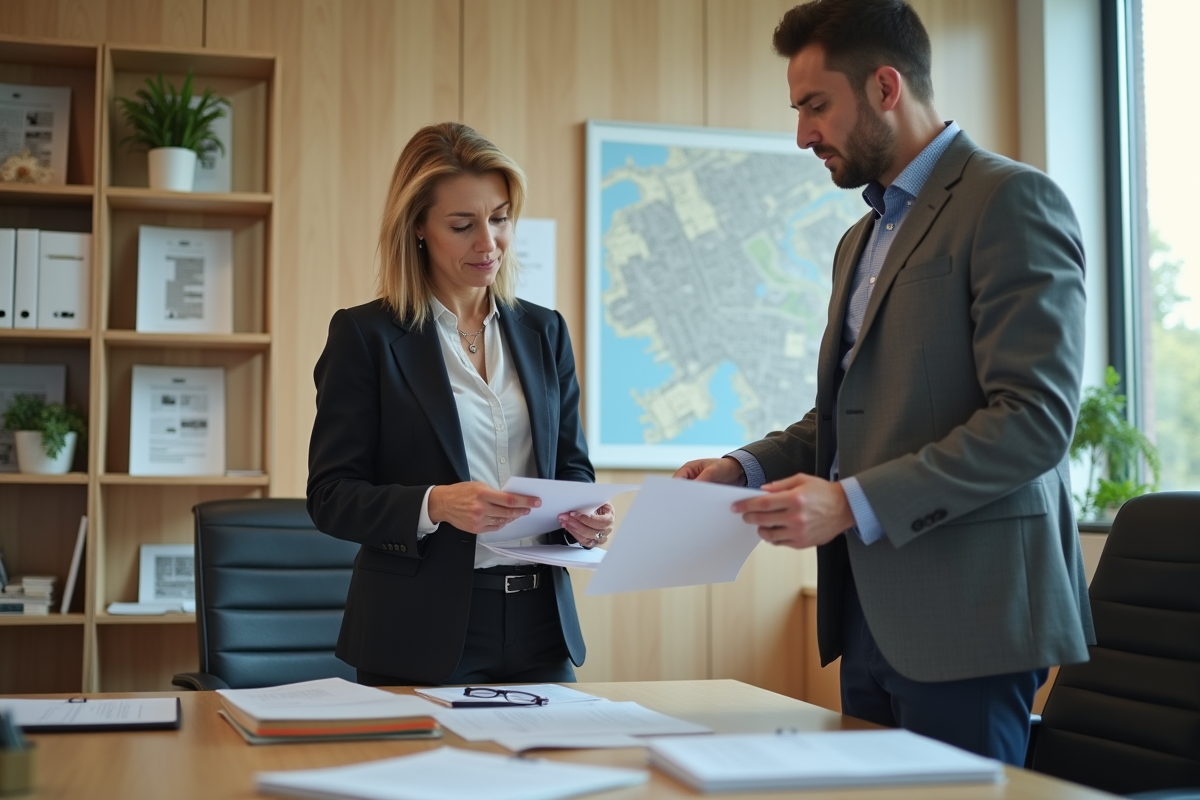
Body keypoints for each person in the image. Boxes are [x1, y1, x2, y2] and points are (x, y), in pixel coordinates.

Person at [675, 0, 1094, 765]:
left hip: (969, 618)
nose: (803, 133)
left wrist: (849, 502)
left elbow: (1034, 420)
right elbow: (849, 414)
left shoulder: (1008, 201)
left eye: (815, 106)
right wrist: (748, 467)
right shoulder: (858, 239)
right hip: (867, 614)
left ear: (886, 87)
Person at [307, 122, 612, 687]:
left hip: (541, 625)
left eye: (499, 218)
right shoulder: (366, 336)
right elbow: (330, 497)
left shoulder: (544, 331)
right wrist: (435, 504)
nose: (488, 243)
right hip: (418, 630)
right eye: (462, 225)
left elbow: (570, 466)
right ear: (418, 227)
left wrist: (584, 519)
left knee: (552, 775)